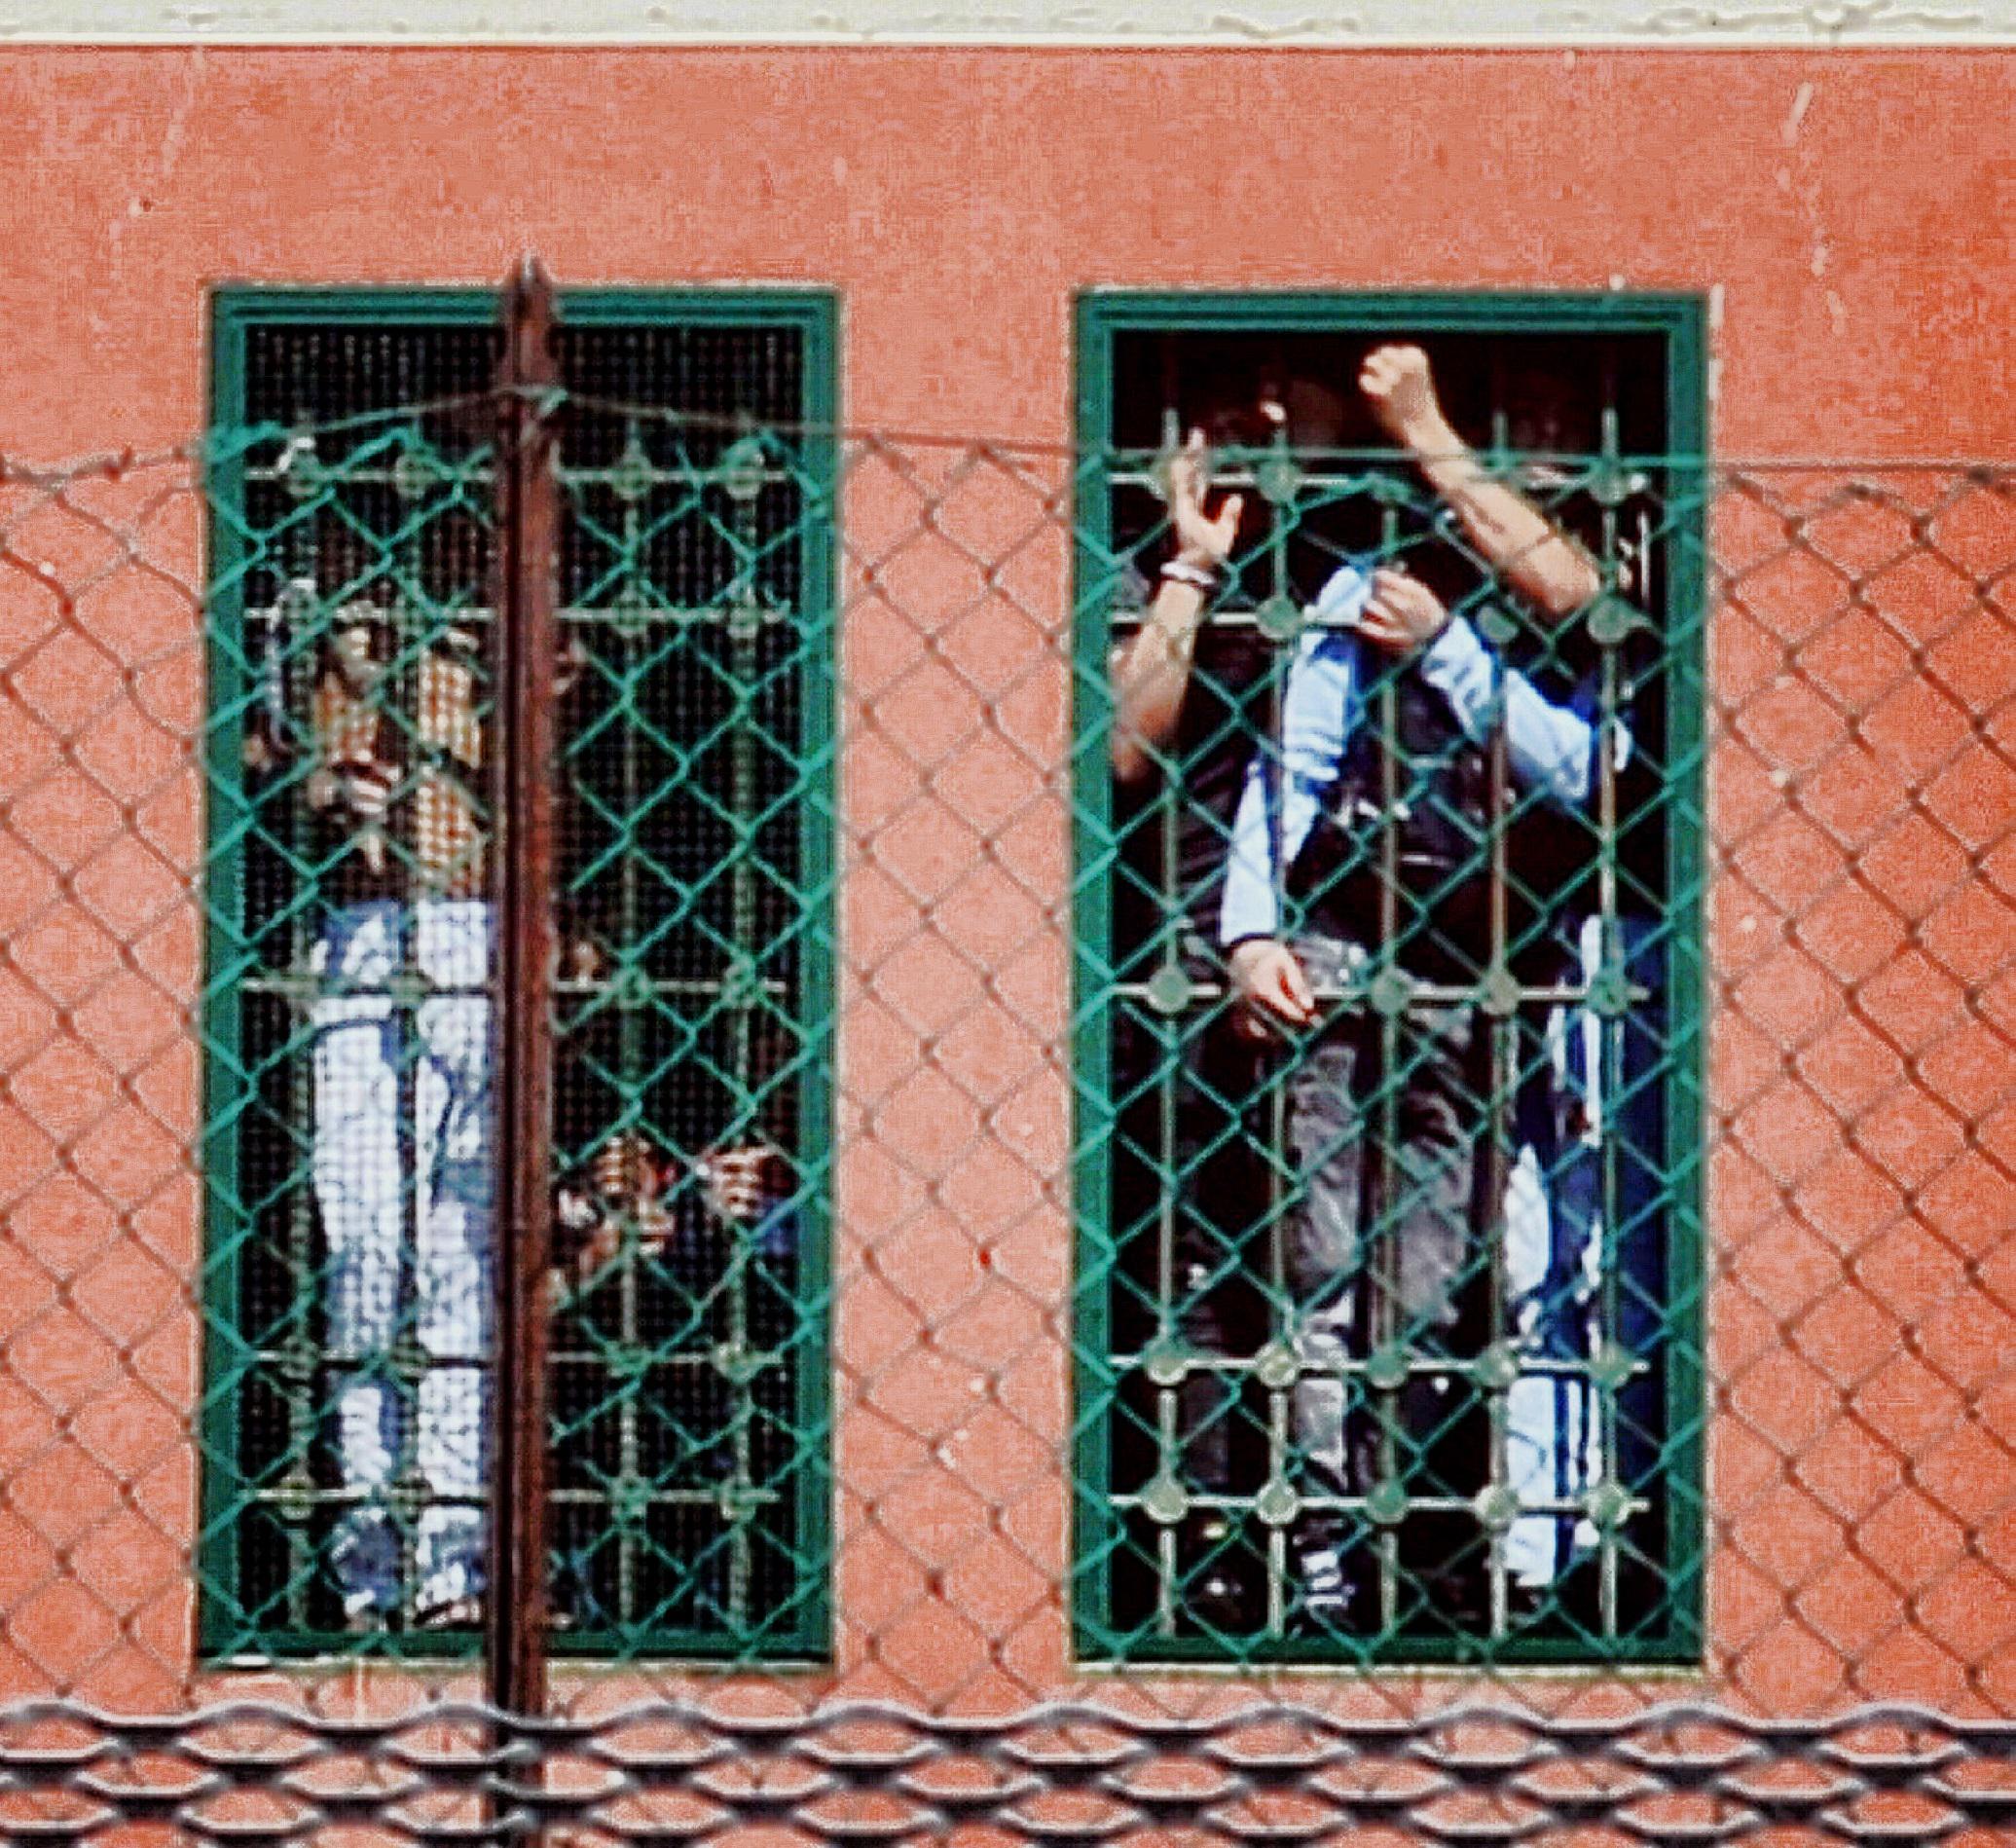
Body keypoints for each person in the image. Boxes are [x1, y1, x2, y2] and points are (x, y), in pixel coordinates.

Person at [1219, 545, 1605, 1628]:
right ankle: (1321, 1557)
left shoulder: (1575, 614)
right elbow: (1291, 761)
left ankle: (1407, 1536)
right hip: (1344, 941)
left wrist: (1451, 650)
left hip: (1479, 967)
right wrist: (1250, 927)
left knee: (1434, 1284)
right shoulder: (1365, 582)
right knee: (1322, 1270)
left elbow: (1581, 767)